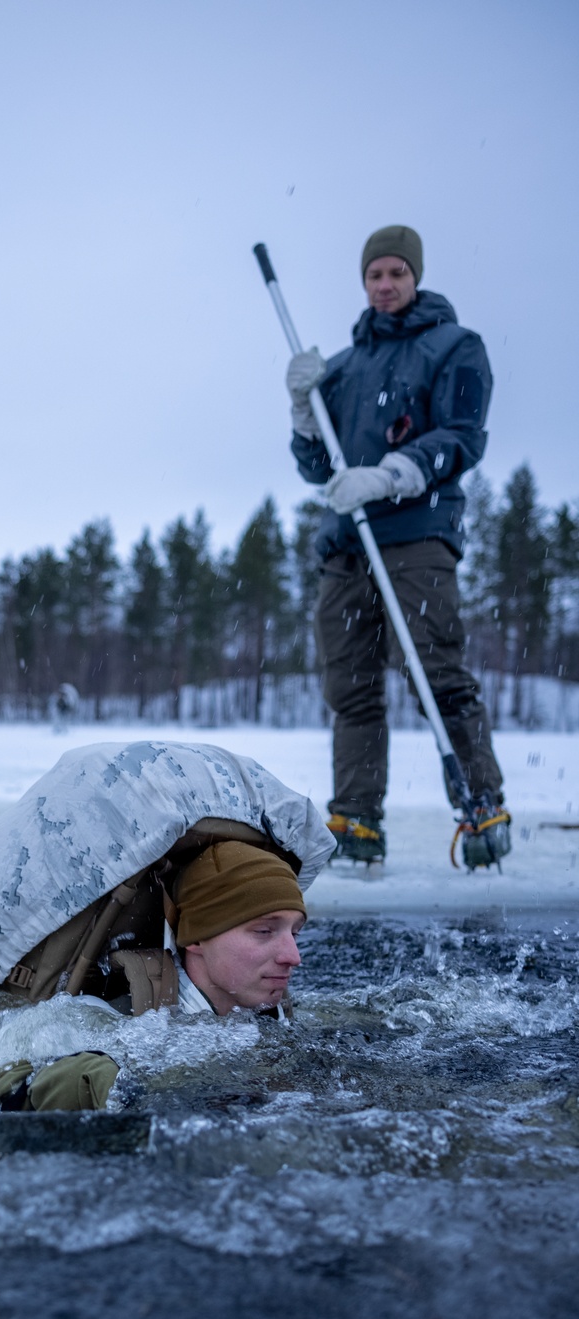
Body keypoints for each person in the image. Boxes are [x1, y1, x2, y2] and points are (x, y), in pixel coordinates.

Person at [286, 224, 510, 870]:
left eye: (396, 273)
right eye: (374, 275)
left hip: (416, 535)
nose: (385, 285)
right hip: (346, 544)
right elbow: (315, 463)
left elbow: (462, 438)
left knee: (437, 673)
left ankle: (480, 804)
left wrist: (388, 475)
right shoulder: (346, 367)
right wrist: (303, 406)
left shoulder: (454, 346)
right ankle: (357, 817)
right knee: (349, 686)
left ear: (415, 277)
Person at [0, 839, 307, 1112]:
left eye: (295, 933)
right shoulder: (103, 1024)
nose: (293, 957)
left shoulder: (277, 1018)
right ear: (197, 937)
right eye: (264, 931)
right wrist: (86, 1081)